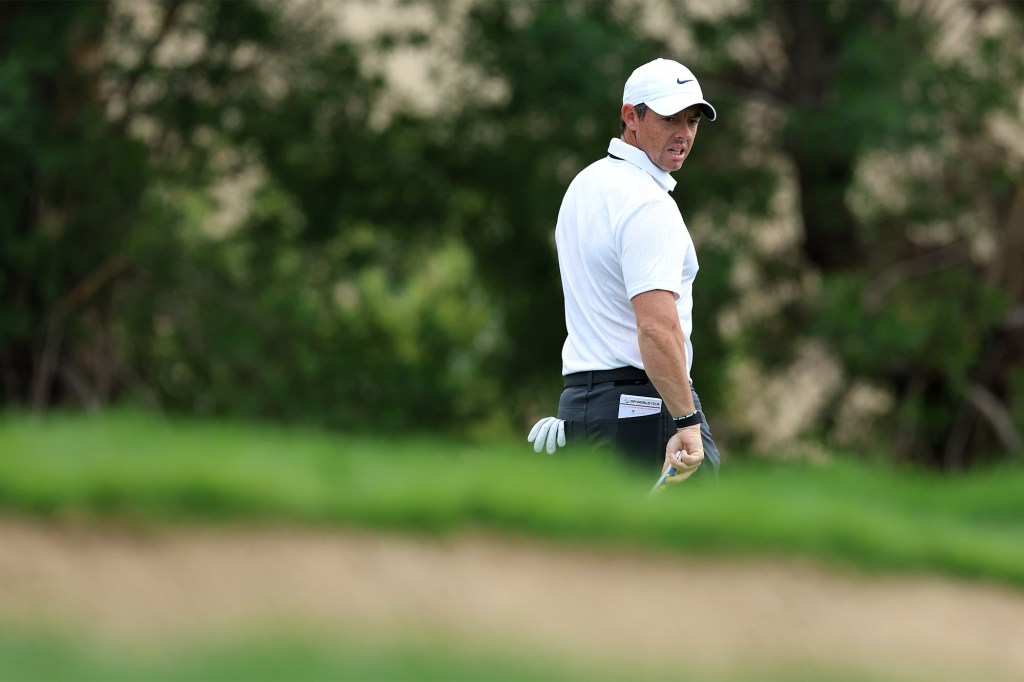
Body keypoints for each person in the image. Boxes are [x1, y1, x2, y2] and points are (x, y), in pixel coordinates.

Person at [528, 58, 722, 487]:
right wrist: (686, 421)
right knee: (691, 549)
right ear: (630, 116)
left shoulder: (584, 185)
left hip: (582, 405)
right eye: (670, 118)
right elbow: (656, 328)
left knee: (597, 550)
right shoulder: (647, 203)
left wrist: (584, 410)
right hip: (647, 409)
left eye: (692, 121)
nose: (684, 134)